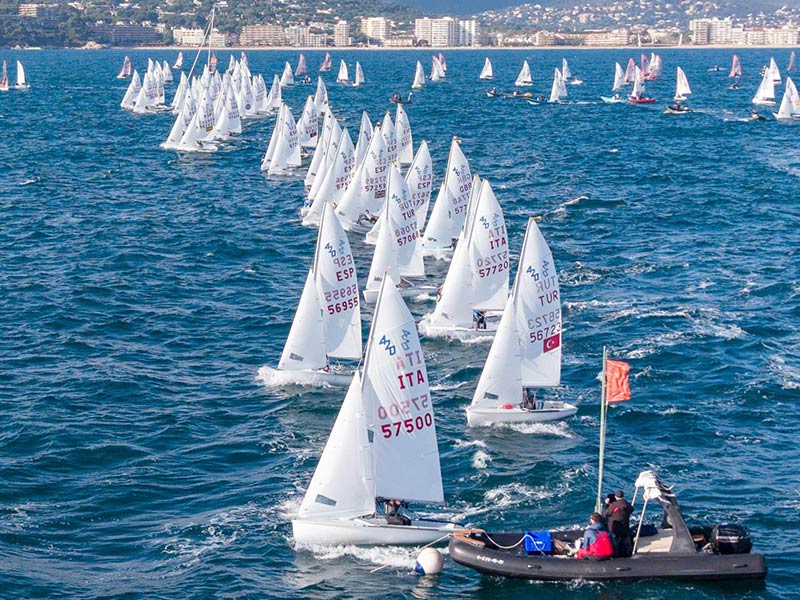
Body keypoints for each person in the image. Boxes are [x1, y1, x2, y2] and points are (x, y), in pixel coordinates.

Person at [605, 489, 634, 557]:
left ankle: (616, 554)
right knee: (626, 540)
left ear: (615, 496)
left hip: (615, 527)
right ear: (623, 496)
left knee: (615, 541)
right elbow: (632, 509)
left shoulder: (614, 505)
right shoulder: (627, 504)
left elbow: (607, 513)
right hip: (625, 526)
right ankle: (629, 552)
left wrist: (607, 504)